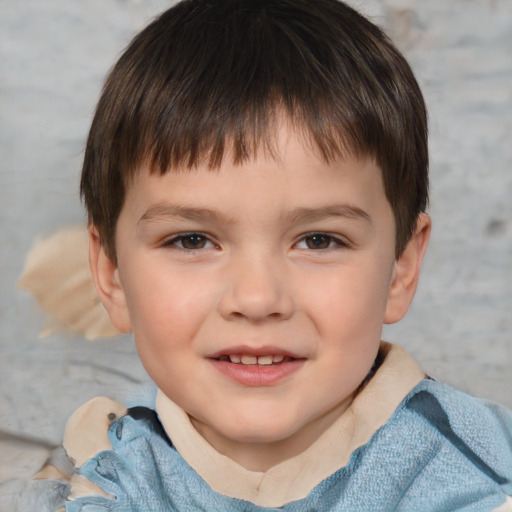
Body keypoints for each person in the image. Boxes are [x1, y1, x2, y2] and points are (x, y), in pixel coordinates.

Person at [23, 0, 512, 510]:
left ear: (400, 268)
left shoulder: (470, 476)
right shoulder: (106, 473)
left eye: (319, 240)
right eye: (192, 240)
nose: (256, 299)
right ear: (112, 274)